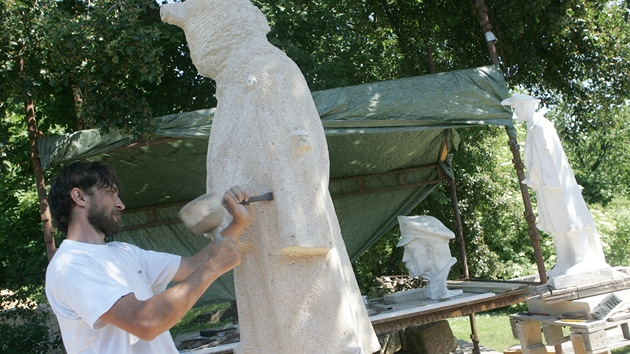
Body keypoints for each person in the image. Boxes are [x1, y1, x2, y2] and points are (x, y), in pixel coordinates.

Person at [45, 161, 251, 353]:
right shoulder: (70, 265)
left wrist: (238, 222)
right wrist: (213, 268)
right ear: (80, 197)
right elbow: (144, 323)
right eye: (110, 192)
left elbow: (195, 265)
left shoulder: (123, 251)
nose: (120, 204)